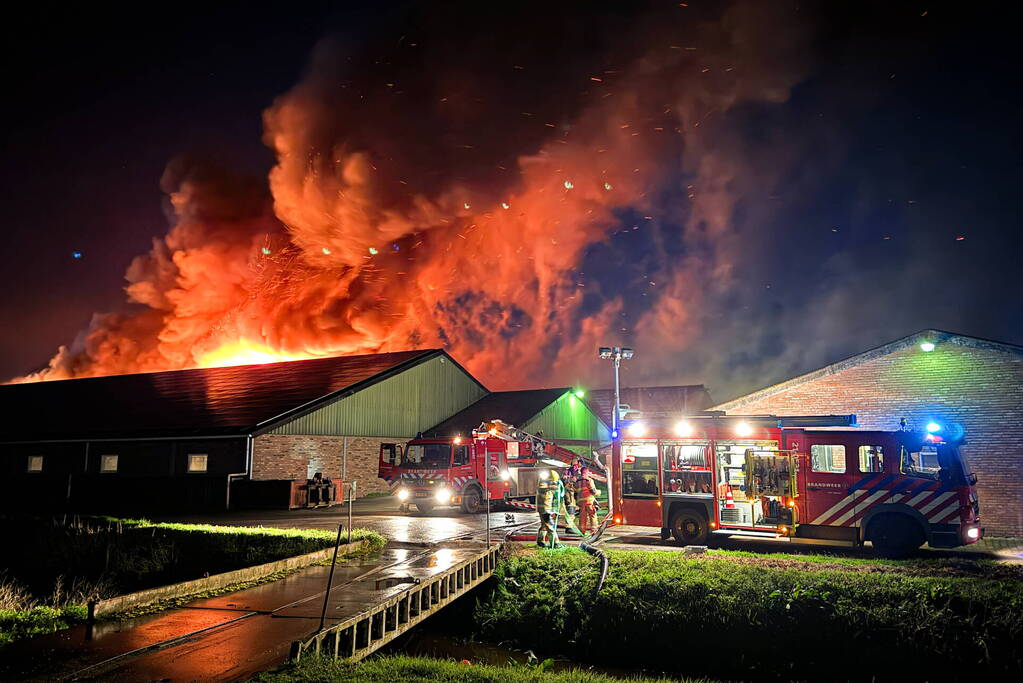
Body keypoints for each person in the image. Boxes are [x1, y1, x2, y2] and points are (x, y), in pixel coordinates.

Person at [535, 470, 564, 548]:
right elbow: (546, 488)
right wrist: (554, 484)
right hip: (545, 510)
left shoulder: (546, 485)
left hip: (543, 509)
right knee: (550, 526)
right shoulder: (544, 485)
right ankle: (556, 543)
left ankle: (540, 541)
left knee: (544, 526)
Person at [575, 466, 599, 533]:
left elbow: (576, 491)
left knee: (582, 517)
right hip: (589, 501)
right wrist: (599, 492)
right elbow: (593, 491)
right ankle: (594, 531)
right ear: (586, 472)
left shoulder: (577, 481)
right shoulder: (589, 480)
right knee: (592, 515)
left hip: (581, 502)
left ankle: (582, 531)